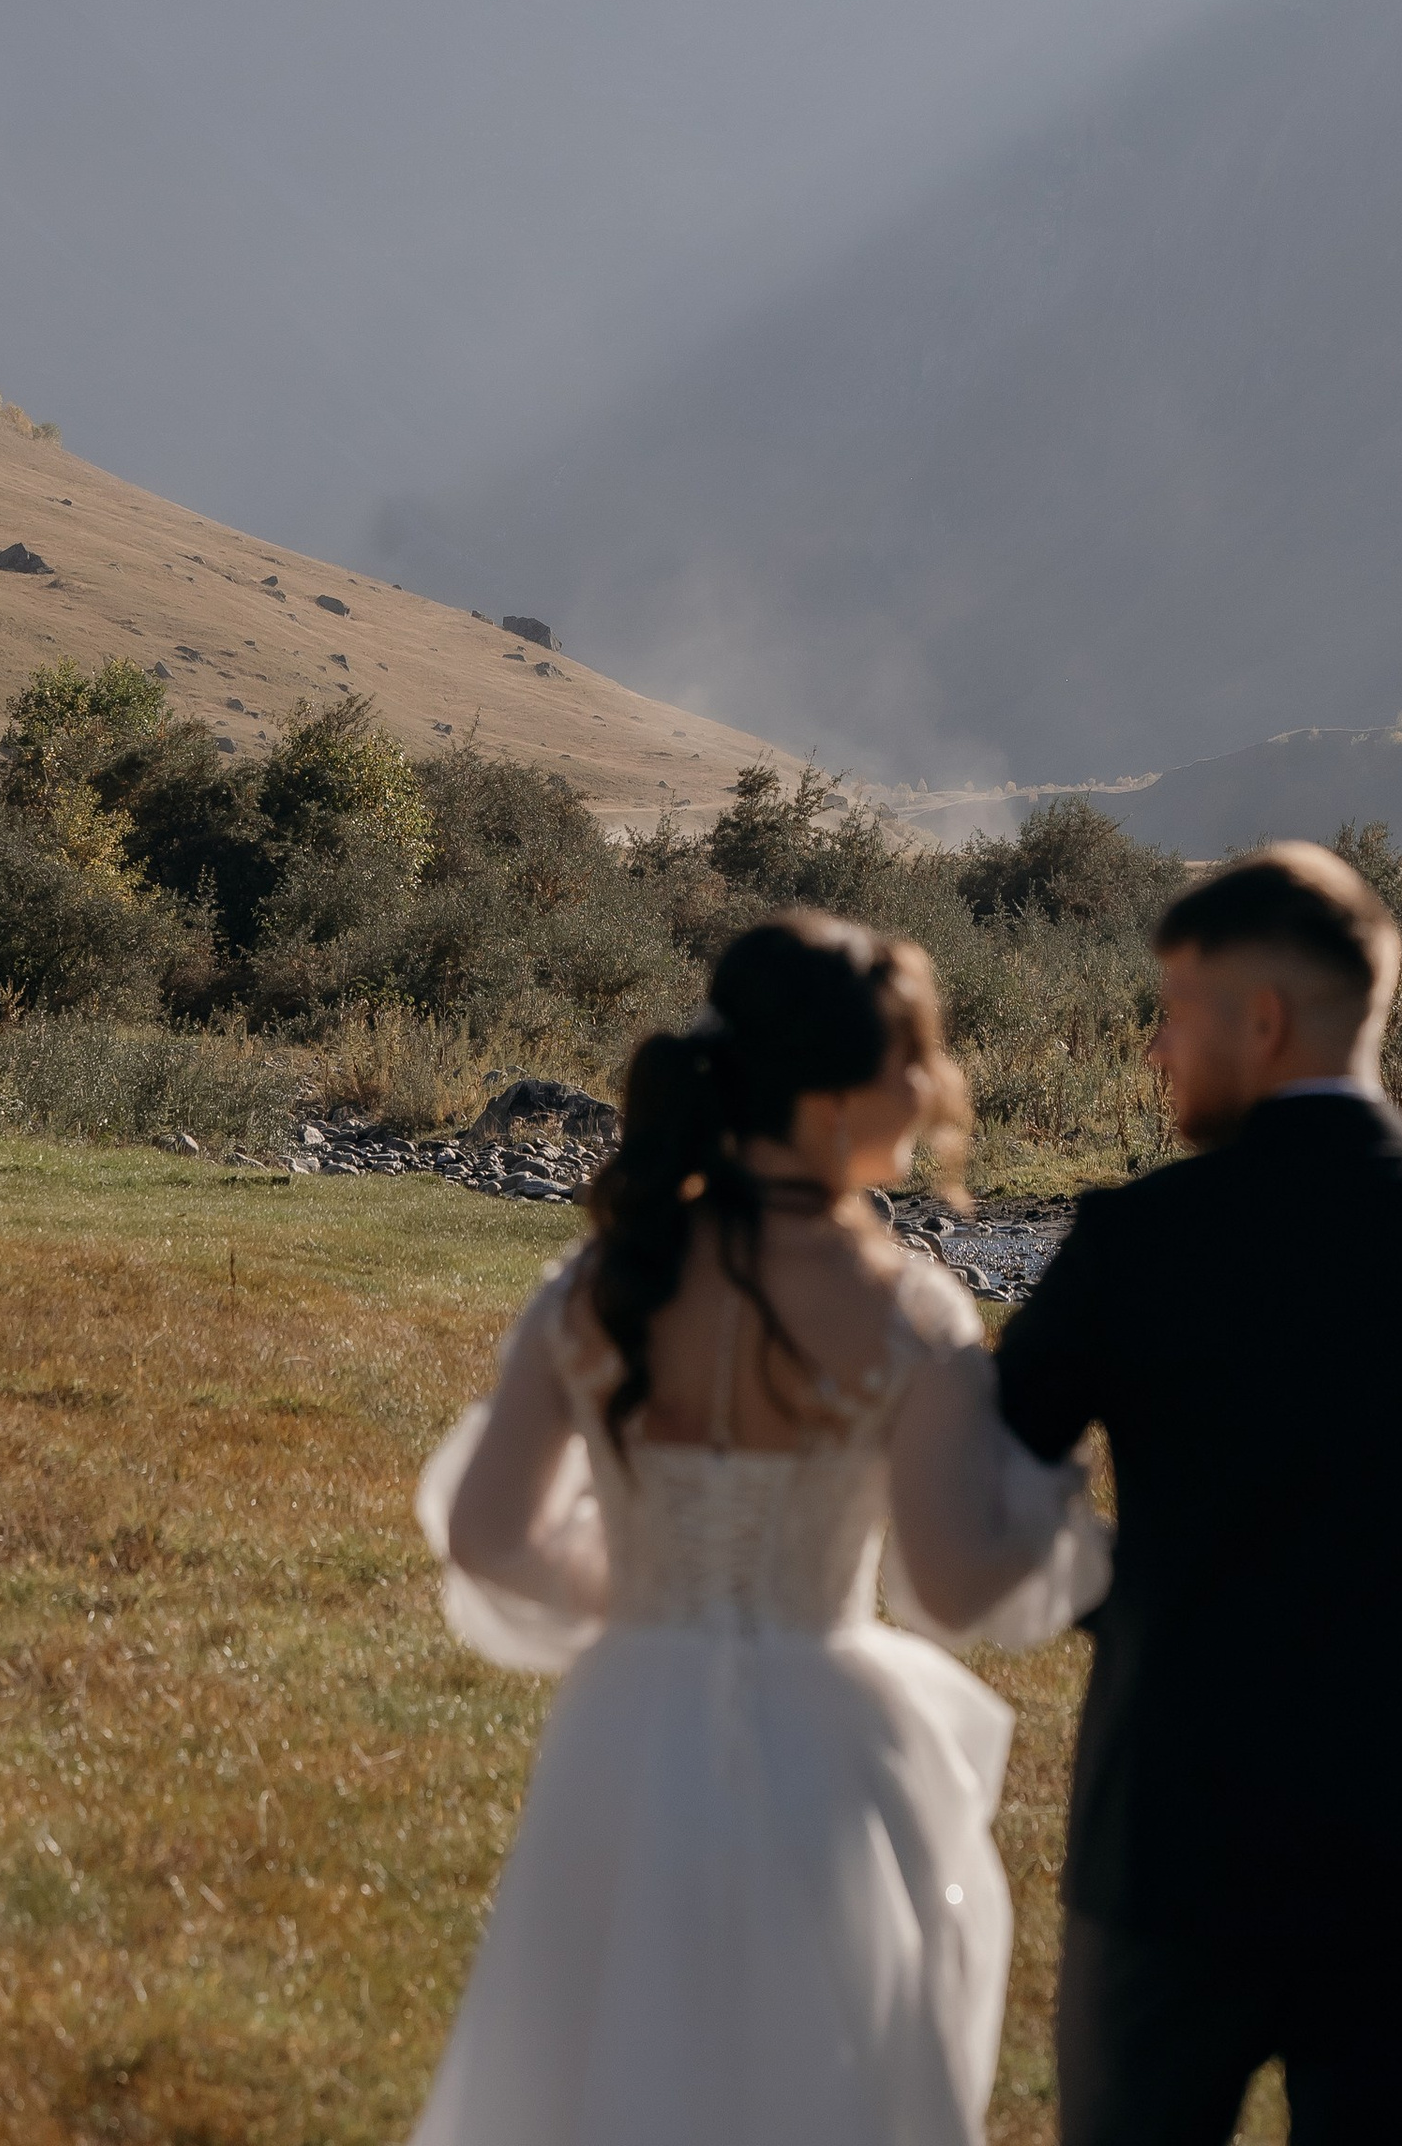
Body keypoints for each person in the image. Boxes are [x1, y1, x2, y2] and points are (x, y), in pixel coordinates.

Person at [408, 910, 1108, 2146]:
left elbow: (486, 1534)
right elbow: (947, 1593)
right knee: (820, 2077)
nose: (936, 1085)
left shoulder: (600, 1284)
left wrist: (645, 1594)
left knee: (598, 2065)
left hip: (623, 1728)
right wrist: (1059, 1515)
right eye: (917, 1059)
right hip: (829, 1745)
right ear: (839, 1095)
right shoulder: (907, 1313)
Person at [994, 841, 1402, 2146]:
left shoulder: (1139, 1240)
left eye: (1173, 1012)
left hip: (1173, 1840)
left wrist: (1116, 1604)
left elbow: (991, 1479)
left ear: (1261, 1020)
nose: (1154, 1049)